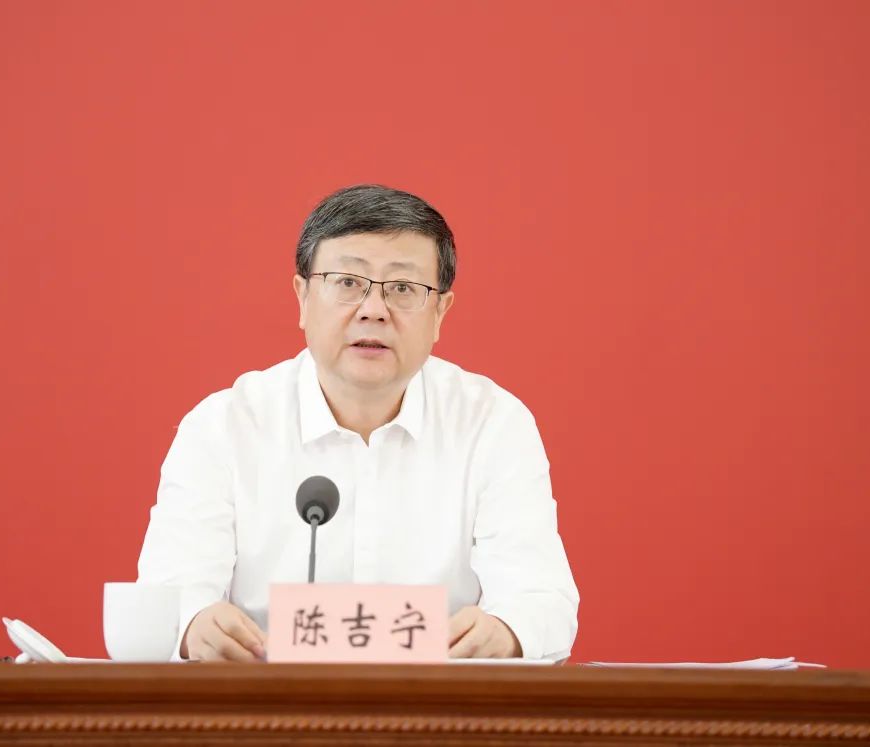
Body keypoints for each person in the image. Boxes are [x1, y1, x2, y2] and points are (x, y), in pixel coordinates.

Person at [138, 184, 579, 662]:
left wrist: (507, 632)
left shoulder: (492, 424)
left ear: (440, 312)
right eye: (347, 282)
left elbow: (541, 600)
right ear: (303, 298)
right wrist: (194, 628)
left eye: (403, 288)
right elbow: (169, 599)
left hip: (438, 704)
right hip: (266, 704)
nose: (373, 310)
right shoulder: (222, 428)